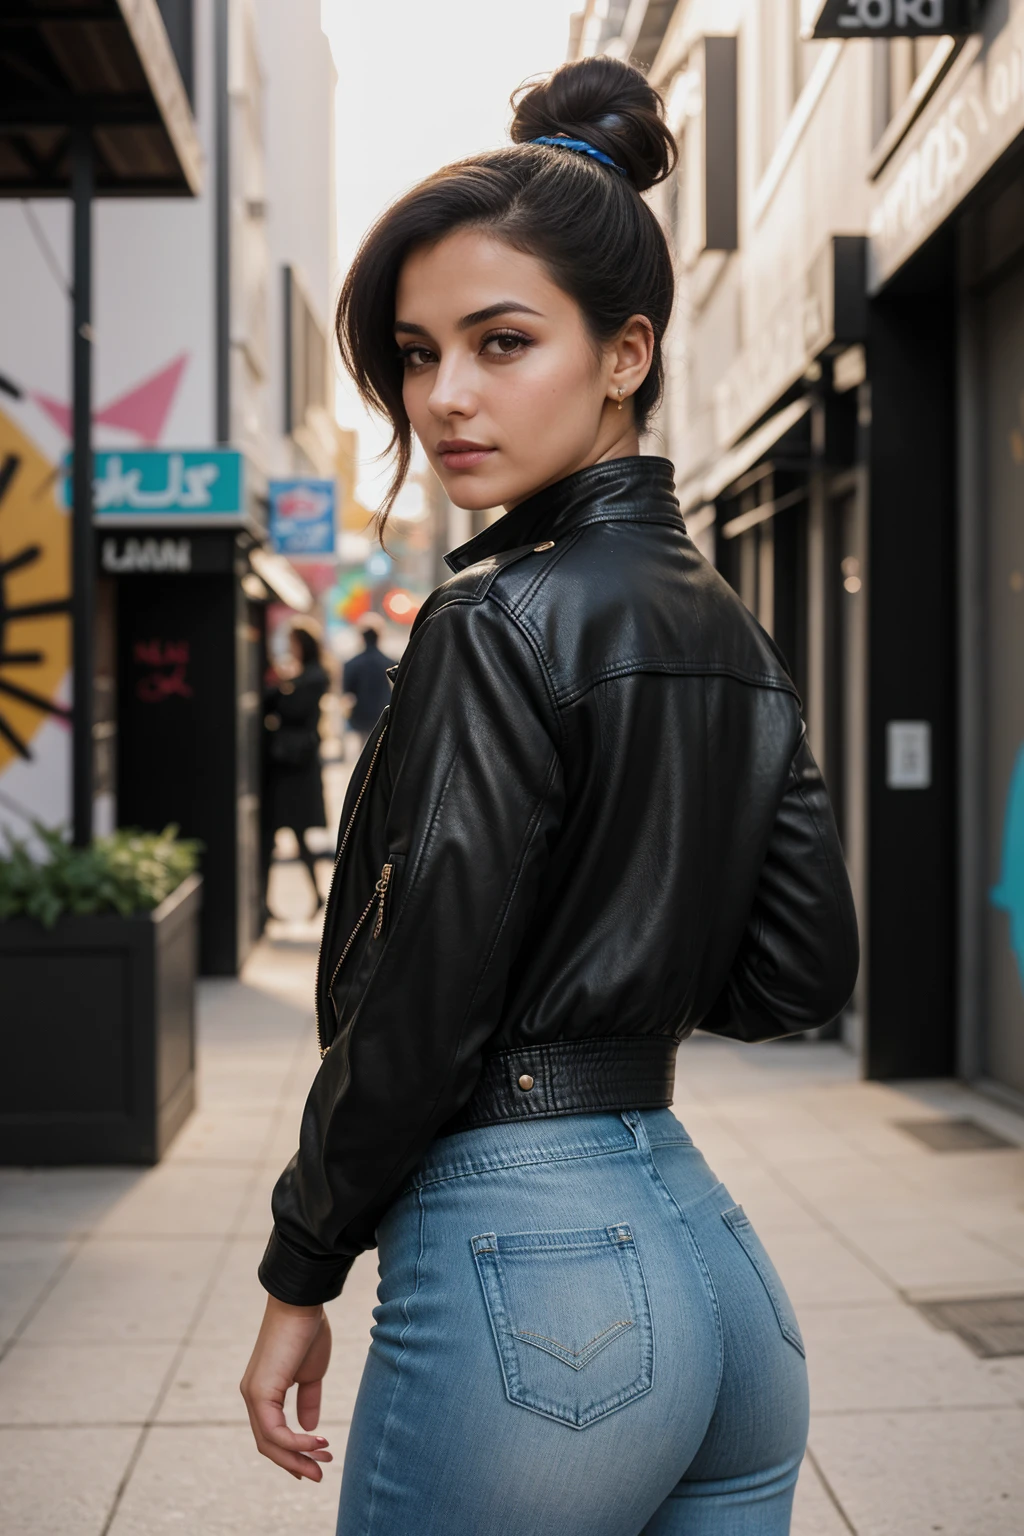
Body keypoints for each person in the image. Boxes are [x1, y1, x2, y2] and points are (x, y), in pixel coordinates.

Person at [241, 56, 858, 1535]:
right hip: (717, 1275)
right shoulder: (728, 626)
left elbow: (420, 999)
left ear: (626, 351)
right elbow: (798, 975)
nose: (443, 397)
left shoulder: (491, 618)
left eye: (500, 342)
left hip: (536, 1290)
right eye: (413, 352)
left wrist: (299, 1267)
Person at [261, 624, 330, 921]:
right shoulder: (305, 676)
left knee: (284, 835)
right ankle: (269, 902)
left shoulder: (313, 677)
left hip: (294, 767)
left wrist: (279, 687)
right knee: (285, 837)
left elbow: (289, 708)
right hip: (291, 766)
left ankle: (274, 901)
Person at [341, 612, 397, 754]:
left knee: (364, 752)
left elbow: (347, 691)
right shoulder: (390, 663)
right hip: (383, 712)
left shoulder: (352, 664)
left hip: (361, 714)